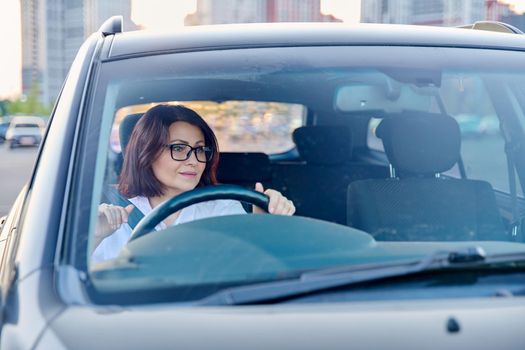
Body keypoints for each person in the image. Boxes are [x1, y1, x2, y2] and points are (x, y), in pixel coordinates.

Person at [92, 104, 295, 262]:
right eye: (179, 148)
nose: (194, 160)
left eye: (199, 150)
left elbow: (251, 268)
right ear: (147, 152)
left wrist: (263, 224)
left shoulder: (222, 208)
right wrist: (95, 236)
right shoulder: (107, 212)